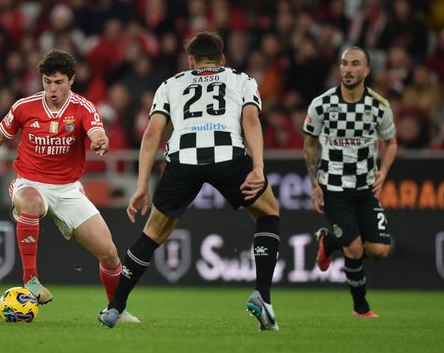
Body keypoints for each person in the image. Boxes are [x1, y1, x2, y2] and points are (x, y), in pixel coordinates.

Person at [99, 31, 281, 331]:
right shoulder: (241, 79)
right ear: (223, 59)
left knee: (152, 233)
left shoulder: (171, 84)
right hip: (228, 155)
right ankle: (263, 295)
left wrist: (142, 184)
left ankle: (115, 307)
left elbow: (152, 134)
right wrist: (258, 166)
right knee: (269, 213)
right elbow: (250, 120)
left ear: (191, 60)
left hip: (182, 160)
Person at [0, 49, 139, 322]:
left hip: (68, 189)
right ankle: (31, 281)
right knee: (30, 202)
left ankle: (116, 310)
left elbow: (96, 131)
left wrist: (100, 140)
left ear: (71, 80)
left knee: (110, 254)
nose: (52, 89)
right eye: (47, 81)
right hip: (29, 182)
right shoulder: (24, 107)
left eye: (59, 82)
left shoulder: (83, 107)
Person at [302, 46, 397, 318]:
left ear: (367, 70)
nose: (348, 69)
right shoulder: (321, 104)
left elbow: (391, 143)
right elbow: (309, 145)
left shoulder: (379, 106)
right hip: (334, 187)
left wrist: (384, 171)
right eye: (344, 63)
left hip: (366, 188)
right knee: (354, 248)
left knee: (379, 250)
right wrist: (315, 184)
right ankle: (361, 308)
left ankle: (331, 242)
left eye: (355, 64)